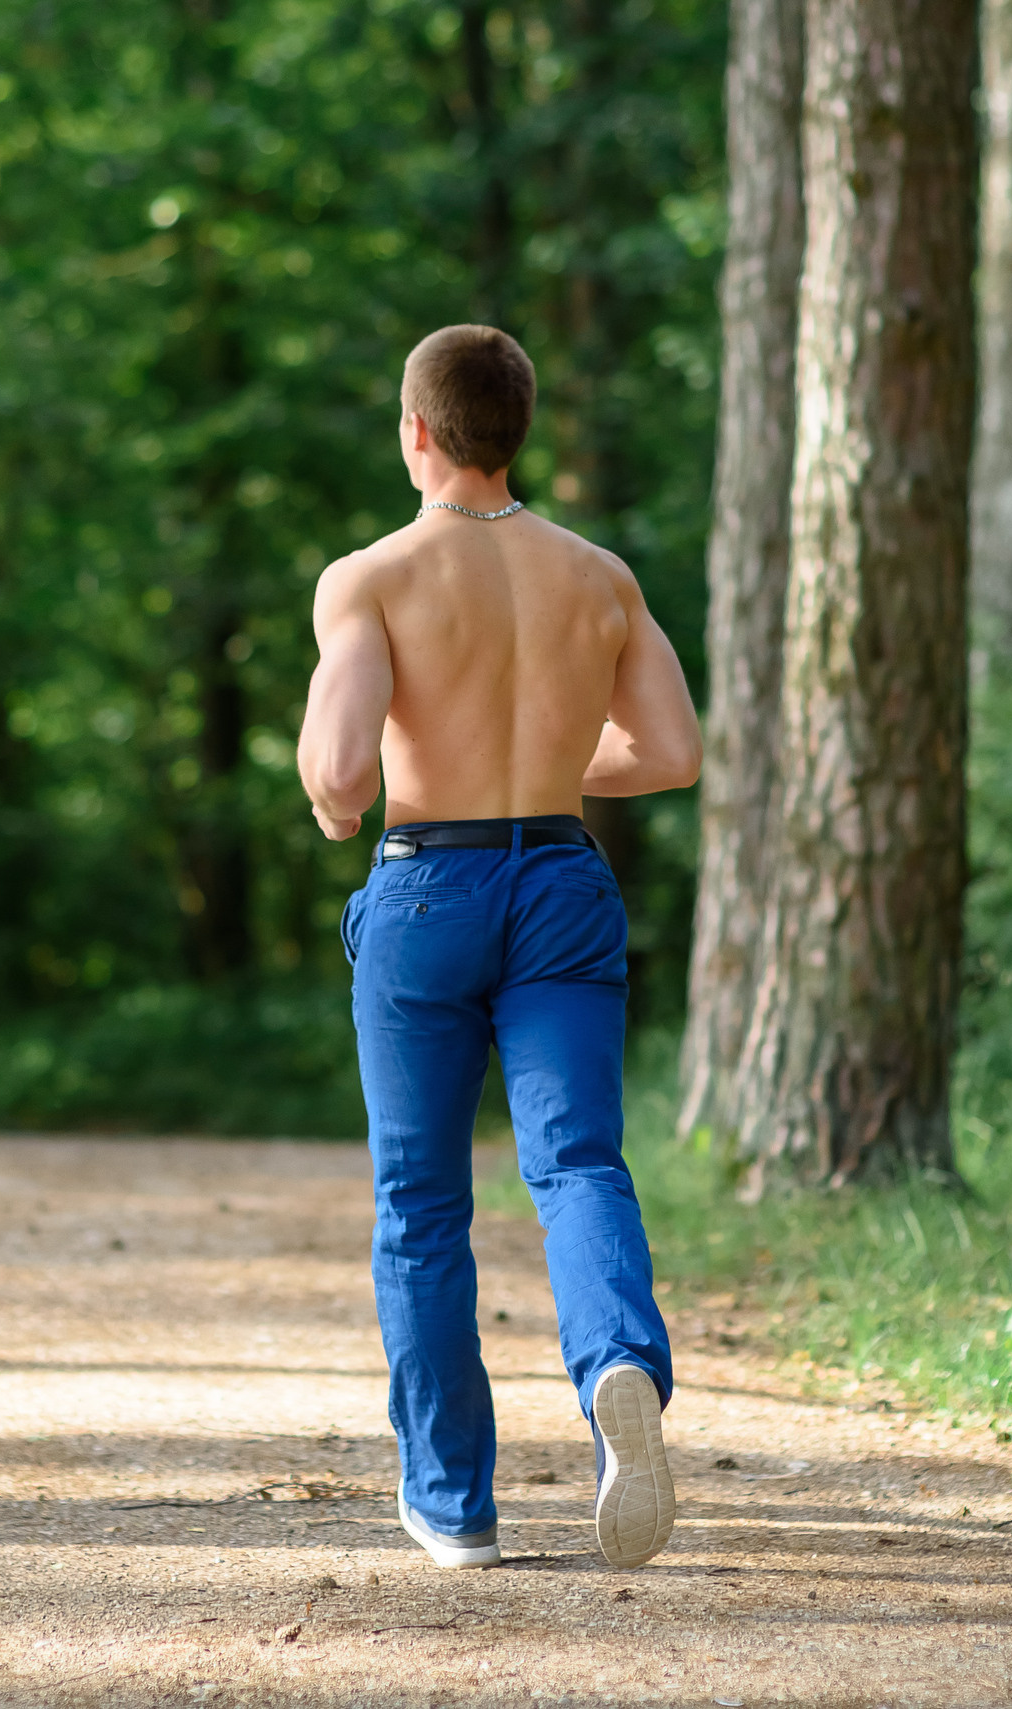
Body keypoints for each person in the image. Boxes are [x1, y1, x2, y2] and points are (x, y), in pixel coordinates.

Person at [296, 325, 702, 1570]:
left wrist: (338, 802)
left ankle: (453, 1502)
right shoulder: (598, 575)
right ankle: (618, 1362)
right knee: (577, 1161)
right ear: (517, 429)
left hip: (429, 887)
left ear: (416, 429)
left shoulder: (370, 577)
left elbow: (339, 774)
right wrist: (544, 765)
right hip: (563, 877)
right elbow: (671, 751)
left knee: (421, 1199)